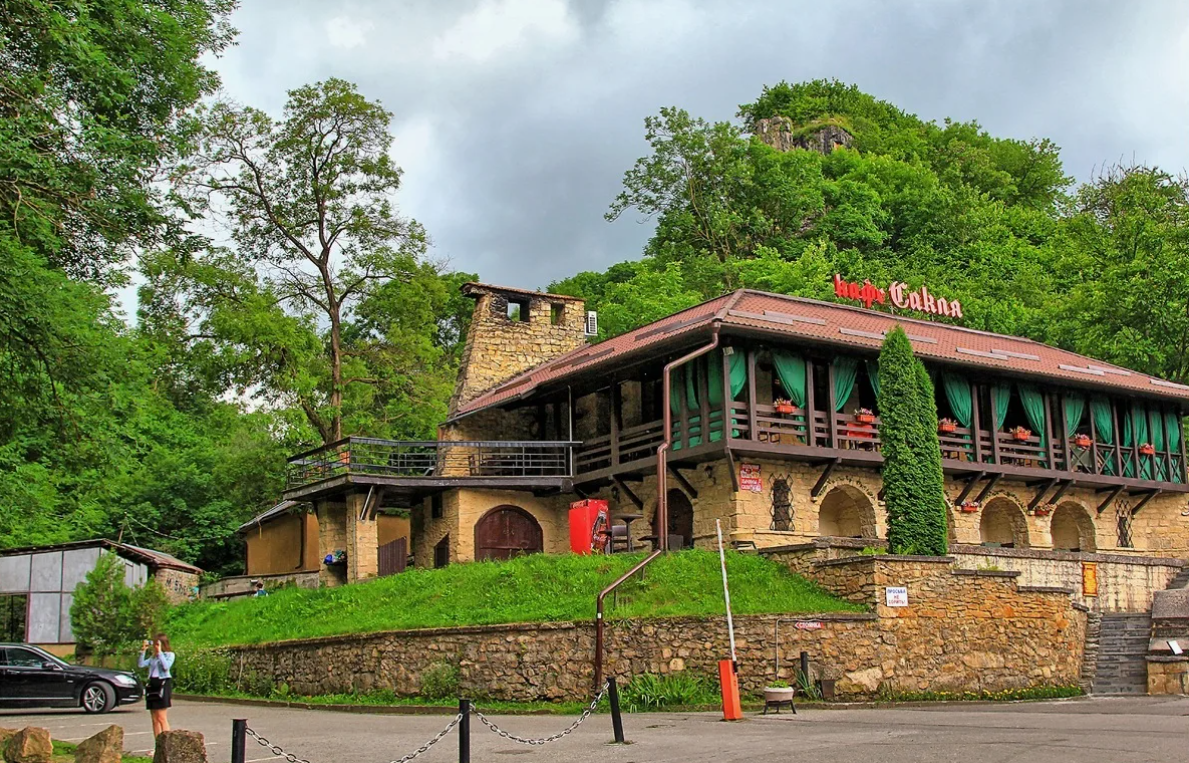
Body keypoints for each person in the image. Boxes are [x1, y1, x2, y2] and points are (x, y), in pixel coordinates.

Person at [139, 634, 175, 738]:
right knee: (154, 719)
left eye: (157, 644)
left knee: (161, 717)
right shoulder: (153, 657)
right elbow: (141, 664)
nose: (155, 646)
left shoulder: (169, 655)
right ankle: (157, 746)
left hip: (162, 684)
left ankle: (166, 744)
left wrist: (160, 653)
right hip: (152, 684)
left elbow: (166, 667)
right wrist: (143, 651)